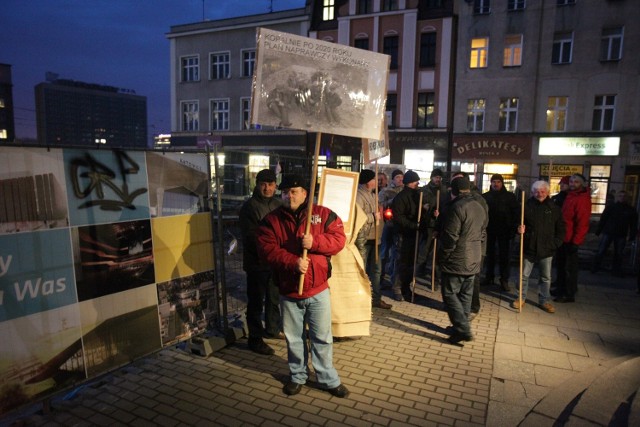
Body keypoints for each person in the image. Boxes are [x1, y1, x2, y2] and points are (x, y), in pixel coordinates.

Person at [255, 174, 349, 398]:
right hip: (289, 290)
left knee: (322, 337)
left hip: (318, 290)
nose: (289, 195)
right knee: (294, 338)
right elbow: (266, 249)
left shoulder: (323, 215)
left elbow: (339, 240)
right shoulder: (271, 220)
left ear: (305, 193)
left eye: (294, 191)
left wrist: (314, 242)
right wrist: (292, 262)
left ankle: (327, 378)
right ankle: (297, 375)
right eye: (286, 192)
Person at [238, 169, 283, 355]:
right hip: (257, 262)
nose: (267, 188)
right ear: (257, 185)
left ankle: (272, 329)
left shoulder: (279, 204)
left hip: (275, 262)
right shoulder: (249, 207)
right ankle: (255, 339)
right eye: (263, 184)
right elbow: (251, 236)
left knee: (273, 298)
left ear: (275, 186)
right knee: (256, 301)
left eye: (270, 184)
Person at [438, 175, 487, 344]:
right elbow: (482, 231)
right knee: (466, 294)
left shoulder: (457, 207)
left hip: (458, 259)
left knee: (450, 293)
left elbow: (451, 236)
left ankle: (462, 328)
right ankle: (461, 326)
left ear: (455, 190)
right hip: (474, 256)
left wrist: (444, 256)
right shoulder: (478, 206)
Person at [512, 181, 565, 313]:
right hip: (529, 246)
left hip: (547, 248)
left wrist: (556, 243)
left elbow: (561, 229)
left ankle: (544, 300)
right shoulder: (526, 206)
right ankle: (520, 298)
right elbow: (515, 222)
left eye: (542, 191)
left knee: (545, 277)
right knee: (523, 275)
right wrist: (518, 228)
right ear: (532, 192)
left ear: (547, 192)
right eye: (536, 191)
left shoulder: (554, 208)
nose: (539, 194)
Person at [355, 169, 392, 309]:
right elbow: (358, 217)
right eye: (375, 179)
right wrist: (373, 217)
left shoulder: (373, 195)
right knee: (362, 269)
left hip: (375, 237)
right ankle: (361, 300)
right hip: (364, 238)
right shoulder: (358, 196)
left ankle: (375, 298)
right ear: (368, 181)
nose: (378, 182)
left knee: (376, 270)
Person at [554, 174, 592, 303]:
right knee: (562, 265)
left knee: (569, 268)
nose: (572, 183)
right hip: (564, 236)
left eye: (576, 182)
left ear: (582, 183)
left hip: (570, 239)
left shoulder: (581, 198)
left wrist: (576, 241)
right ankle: (561, 288)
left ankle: (568, 294)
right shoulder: (571, 195)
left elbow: (582, 222)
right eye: (571, 181)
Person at [482, 174, 519, 291]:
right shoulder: (485, 197)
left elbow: (516, 214)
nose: (496, 184)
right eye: (494, 182)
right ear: (490, 183)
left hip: (505, 231)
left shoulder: (510, 197)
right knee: (490, 255)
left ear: (502, 183)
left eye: (498, 182)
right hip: (490, 230)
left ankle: (504, 279)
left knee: (505, 257)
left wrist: (513, 229)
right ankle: (489, 277)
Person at [391, 170, 421, 302]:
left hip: (413, 234)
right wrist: (413, 225)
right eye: (416, 181)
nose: (418, 183)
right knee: (401, 261)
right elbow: (398, 217)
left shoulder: (417, 195)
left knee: (410, 262)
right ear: (411, 182)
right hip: (402, 234)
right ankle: (397, 287)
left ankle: (406, 287)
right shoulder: (401, 197)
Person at [591, 190, 637, 276]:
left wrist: (632, 236)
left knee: (618, 253)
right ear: (617, 197)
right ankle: (596, 267)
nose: (622, 198)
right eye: (620, 196)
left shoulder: (630, 210)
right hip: (609, 232)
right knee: (602, 251)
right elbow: (603, 219)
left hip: (620, 233)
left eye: (624, 196)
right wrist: (598, 231)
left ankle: (615, 270)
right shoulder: (612, 207)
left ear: (627, 198)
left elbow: (633, 224)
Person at [416, 169, 447, 280]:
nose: (438, 179)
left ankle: (436, 276)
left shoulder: (445, 191)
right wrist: (425, 208)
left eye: (439, 177)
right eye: (436, 177)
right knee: (425, 249)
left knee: (437, 251)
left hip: (440, 224)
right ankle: (420, 269)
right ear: (431, 178)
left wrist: (441, 213)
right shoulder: (423, 191)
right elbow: (418, 206)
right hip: (428, 224)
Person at [379, 169, 404, 287]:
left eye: (401, 177)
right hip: (388, 224)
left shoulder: (405, 190)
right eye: (398, 177)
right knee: (384, 251)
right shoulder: (386, 191)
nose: (400, 179)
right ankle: (380, 277)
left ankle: (394, 278)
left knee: (396, 253)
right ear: (393, 179)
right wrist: (392, 201)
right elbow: (380, 204)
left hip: (399, 225)